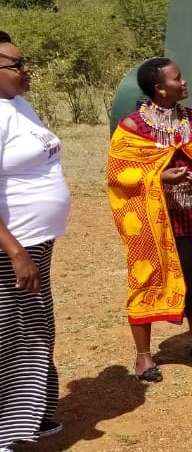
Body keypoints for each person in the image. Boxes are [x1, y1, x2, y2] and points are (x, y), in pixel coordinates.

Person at [108, 57, 192, 383]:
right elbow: (119, 173)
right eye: (177, 78)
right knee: (147, 277)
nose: (184, 82)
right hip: (151, 220)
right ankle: (143, 358)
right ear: (159, 87)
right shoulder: (132, 128)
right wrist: (160, 176)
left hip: (189, 213)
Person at [0, 31, 70, 450]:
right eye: (16, 64)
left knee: (36, 326)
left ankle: (35, 413)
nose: (26, 70)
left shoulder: (16, 106)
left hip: (36, 241)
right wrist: (14, 251)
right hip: (13, 246)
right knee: (10, 331)